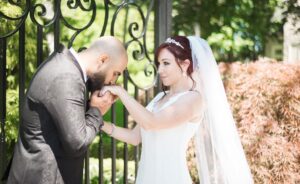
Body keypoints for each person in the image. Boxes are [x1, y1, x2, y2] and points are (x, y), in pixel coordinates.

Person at [101, 36, 253, 184]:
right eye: (159, 63)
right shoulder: (159, 98)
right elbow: (135, 137)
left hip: (171, 177)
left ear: (185, 64)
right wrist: (99, 123)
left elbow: (152, 123)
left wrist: (121, 93)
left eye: (166, 63)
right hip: (146, 177)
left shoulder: (194, 99)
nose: (160, 70)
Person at [6, 36, 128, 184]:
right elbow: (77, 143)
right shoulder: (66, 77)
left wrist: (92, 107)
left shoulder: (65, 67)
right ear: (102, 60)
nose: (112, 82)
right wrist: (97, 111)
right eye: (115, 73)